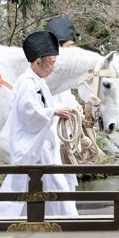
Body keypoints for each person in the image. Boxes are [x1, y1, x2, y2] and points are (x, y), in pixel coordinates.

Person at [0, 31, 78, 217]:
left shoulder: (38, 81)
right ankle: (66, 223)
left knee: (47, 185)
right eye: (51, 63)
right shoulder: (26, 83)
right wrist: (54, 111)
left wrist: (61, 109)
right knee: (35, 186)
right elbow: (30, 112)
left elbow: (43, 107)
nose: (53, 68)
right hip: (32, 146)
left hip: (41, 146)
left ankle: (60, 222)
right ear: (38, 62)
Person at [45, 16, 83, 189]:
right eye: (69, 47)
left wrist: (77, 107)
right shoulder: (41, 72)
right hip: (46, 138)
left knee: (65, 185)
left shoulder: (62, 72)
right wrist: (55, 110)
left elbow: (66, 96)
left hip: (62, 137)